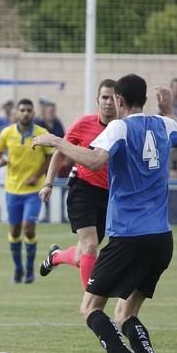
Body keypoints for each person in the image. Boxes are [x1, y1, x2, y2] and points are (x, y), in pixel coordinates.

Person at [33, 74, 177, 353]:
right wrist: (169, 112)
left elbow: (95, 159)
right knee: (125, 313)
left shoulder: (119, 127)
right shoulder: (164, 124)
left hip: (128, 236)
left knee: (90, 307)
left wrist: (57, 142)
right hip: (161, 239)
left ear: (120, 101)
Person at [38, 79, 117, 291]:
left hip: (110, 194)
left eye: (113, 98)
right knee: (91, 246)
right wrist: (48, 183)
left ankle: (55, 257)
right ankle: (90, 306)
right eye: (105, 97)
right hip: (82, 188)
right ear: (97, 100)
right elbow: (60, 152)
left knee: (85, 253)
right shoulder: (84, 124)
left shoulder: (124, 128)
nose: (109, 102)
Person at [0, 98, 53, 283]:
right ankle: (18, 269)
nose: (26, 113)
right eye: (22, 110)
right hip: (12, 189)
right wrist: (0, 160)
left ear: (33, 113)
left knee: (28, 228)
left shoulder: (42, 133)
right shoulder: (7, 133)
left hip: (34, 191)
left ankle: (29, 269)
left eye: (29, 110)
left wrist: (37, 176)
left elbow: (51, 158)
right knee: (14, 231)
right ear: (17, 113)